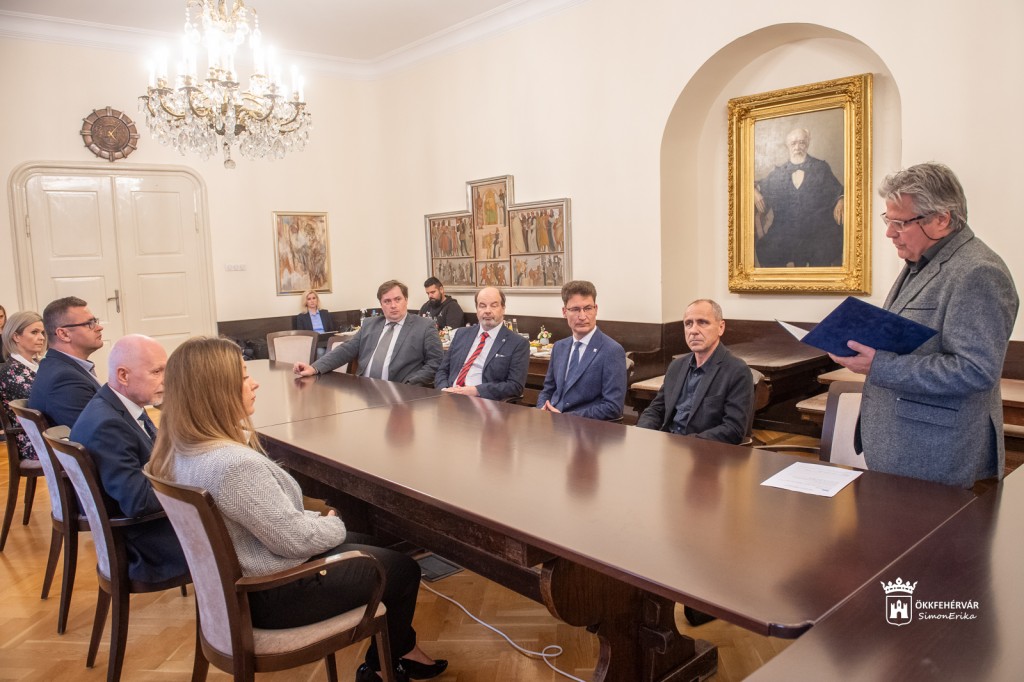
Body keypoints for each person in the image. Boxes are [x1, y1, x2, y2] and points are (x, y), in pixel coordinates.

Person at [148, 337, 446, 682]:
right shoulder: (233, 466)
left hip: (242, 582)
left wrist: (321, 524)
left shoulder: (179, 452)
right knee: (402, 568)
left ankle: (402, 651)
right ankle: (381, 668)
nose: (254, 383)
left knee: (374, 544)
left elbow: (274, 524)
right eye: (244, 377)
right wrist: (333, 521)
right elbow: (295, 541)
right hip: (273, 593)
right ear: (217, 391)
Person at [831, 163, 1018, 489]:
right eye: (888, 220)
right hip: (905, 450)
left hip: (939, 458)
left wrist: (879, 365)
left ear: (941, 219)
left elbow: (974, 371)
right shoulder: (921, 261)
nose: (890, 233)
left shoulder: (978, 272)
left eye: (900, 223)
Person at [69, 335, 187, 584]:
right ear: (123, 375)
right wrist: (193, 479)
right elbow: (139, 502)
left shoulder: (118, 407)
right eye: (156, 372)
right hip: (146, 546)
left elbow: (156, 458)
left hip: (147, 530)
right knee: (237, 532)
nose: (166, 380)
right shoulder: (108, 425)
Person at [636, 300, 754, 444]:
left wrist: (686, 444)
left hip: (705, 451)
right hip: (668, 446)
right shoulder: (676, 366)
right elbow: (655, 410)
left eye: (702, 322)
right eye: (688, 323)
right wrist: (642, 433)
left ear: (721, 327)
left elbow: (733, 429)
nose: (693, 330)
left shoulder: (737, 371)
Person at [295, 280, 443, 386]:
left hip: (401, 394)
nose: (393, 305)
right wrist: (314, 367)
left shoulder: (424, 326)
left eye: (398, 299)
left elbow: (435, 362)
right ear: (381, 304)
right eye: (387, 301)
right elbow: (346, 350)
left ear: (406, 300)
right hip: (365, 391)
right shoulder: (370, 324)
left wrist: (410, 384)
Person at [754, 128, 845, 267]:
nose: (797, 147)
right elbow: (757, 185)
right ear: (787, 146)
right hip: (786, 231)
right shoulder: (778, 173)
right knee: (769, 250)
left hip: (816, 230)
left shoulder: (821, 168)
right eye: (793, 143)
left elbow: (838, 189)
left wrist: (841, 200)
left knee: (823, 252)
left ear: (807, 144)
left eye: (801, 143)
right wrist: (754, 192)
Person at [536, 280, 626, 420]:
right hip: (551, 423)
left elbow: (613, 407)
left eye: (588, 308)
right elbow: (547, 390)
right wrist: (542, 408)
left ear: (596, 309)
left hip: (586, 428)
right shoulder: (559, 347)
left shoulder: (612, 350)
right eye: (575, 309)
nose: (583, 316)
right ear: (564, 312)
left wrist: (565, 418)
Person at [435, 286, 529, 400]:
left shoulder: (517, 343)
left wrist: (477, 391)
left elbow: (515, 386)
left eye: (494, 305)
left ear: (503, 308)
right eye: (482, 306)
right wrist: (444, 390)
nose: (487, 311)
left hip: (483, 401)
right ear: (477, 310)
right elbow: (442, 370)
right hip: (449, 398)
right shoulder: (461, 334)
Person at [27, 297, 104, 427]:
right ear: (64, 334)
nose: (99, 327)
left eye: (95, 321)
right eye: (89, 323)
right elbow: (97, 433)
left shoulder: (54, 365)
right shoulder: (65, 380)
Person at [0, 310, 47, 460]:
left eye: (42, 332)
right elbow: (40, 405)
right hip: (32, 440)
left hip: (49, 432)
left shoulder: (41, 365)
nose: (41, 337)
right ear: (16, 336)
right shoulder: (8, 371)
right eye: (34, 332)